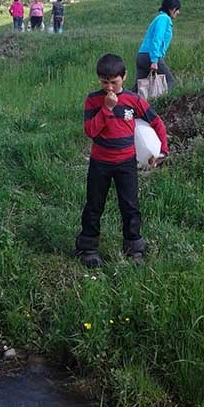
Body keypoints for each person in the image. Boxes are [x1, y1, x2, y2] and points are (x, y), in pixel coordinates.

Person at [75, 53, 169, 268]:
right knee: (94, 204)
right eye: (104, 82)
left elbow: (157, 123)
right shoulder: (93, 100)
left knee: (130, 205)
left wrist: (162, 150)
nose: (109, 88)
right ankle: (88, 247)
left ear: (124, 77)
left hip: (126, 162)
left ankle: (134, 248)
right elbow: (90, 130)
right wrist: (106, 108)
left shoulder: (134, 100)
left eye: (114, 83)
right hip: (100, 162)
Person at [135, 0, 181, 92]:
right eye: (177, 9)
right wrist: (154, 60)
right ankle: (165, 105)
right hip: (150, 56)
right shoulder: (164, 19)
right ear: (171, 9)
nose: (178, 12)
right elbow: (157, 38)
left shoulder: (159, 18)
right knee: (170, 82)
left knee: (139, 89)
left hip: (142, 55)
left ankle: (120, 102)